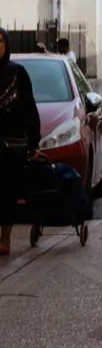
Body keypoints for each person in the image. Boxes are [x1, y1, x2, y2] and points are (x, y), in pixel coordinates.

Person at [0, 27, 42, 255]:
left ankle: (5, 238)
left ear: (7, 45)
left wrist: (33, 142)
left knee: (7, 193)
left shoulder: (18, 73)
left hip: (11, 145)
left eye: (0, 42)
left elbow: (29, 109)